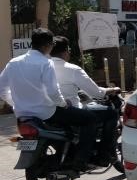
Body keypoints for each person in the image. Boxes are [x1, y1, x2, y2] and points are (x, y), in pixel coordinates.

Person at [0, 29, 98, 171]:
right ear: (48, 45)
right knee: (90, 119)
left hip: (22, 115)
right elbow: (53, 92)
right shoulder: (45, 63)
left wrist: (16, 103)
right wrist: (64, 104)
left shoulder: (13, 63)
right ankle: (81, 160)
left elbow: (1, 89)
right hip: (47, 113)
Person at [50, 37, 121, 166]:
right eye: (69, 50)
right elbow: (96, 92)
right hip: (68, 110)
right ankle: (100, 155)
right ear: (66, 51)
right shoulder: (72, 69)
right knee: (110, 113)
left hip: (46, 111)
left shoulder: (43, 67)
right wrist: (112, 90)